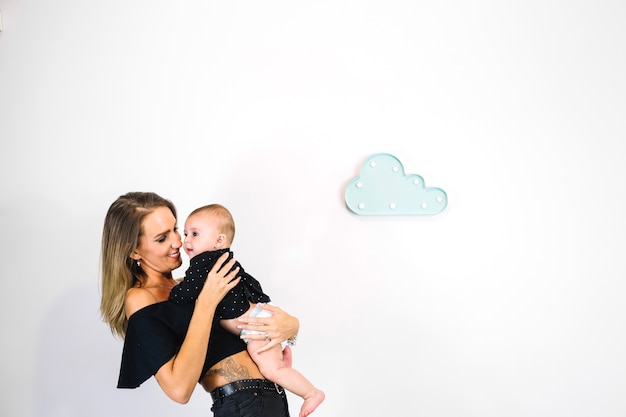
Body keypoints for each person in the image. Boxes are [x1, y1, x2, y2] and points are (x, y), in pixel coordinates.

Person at [100, 192, 300, 417]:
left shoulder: (194, 282)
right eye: (161, 238)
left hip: (272, 397)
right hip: (241, 405)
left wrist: (292, 326)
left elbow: (253, 315)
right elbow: (178, 390)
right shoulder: (140, 298)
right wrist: (206, 301)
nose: (178, 241)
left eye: (175, 229)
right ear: (133, 250)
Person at [170, 204, 325, 417]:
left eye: (195, 234)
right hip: (258, 319)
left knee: (273, 370)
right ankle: (279, 366)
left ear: (219, 241)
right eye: (186, 233)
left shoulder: (204, 263)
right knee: (270, 366)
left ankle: (310, 393)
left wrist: (173, 293)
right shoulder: (222, 260)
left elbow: (184, 294)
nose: (186, 240)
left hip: (256, 325)